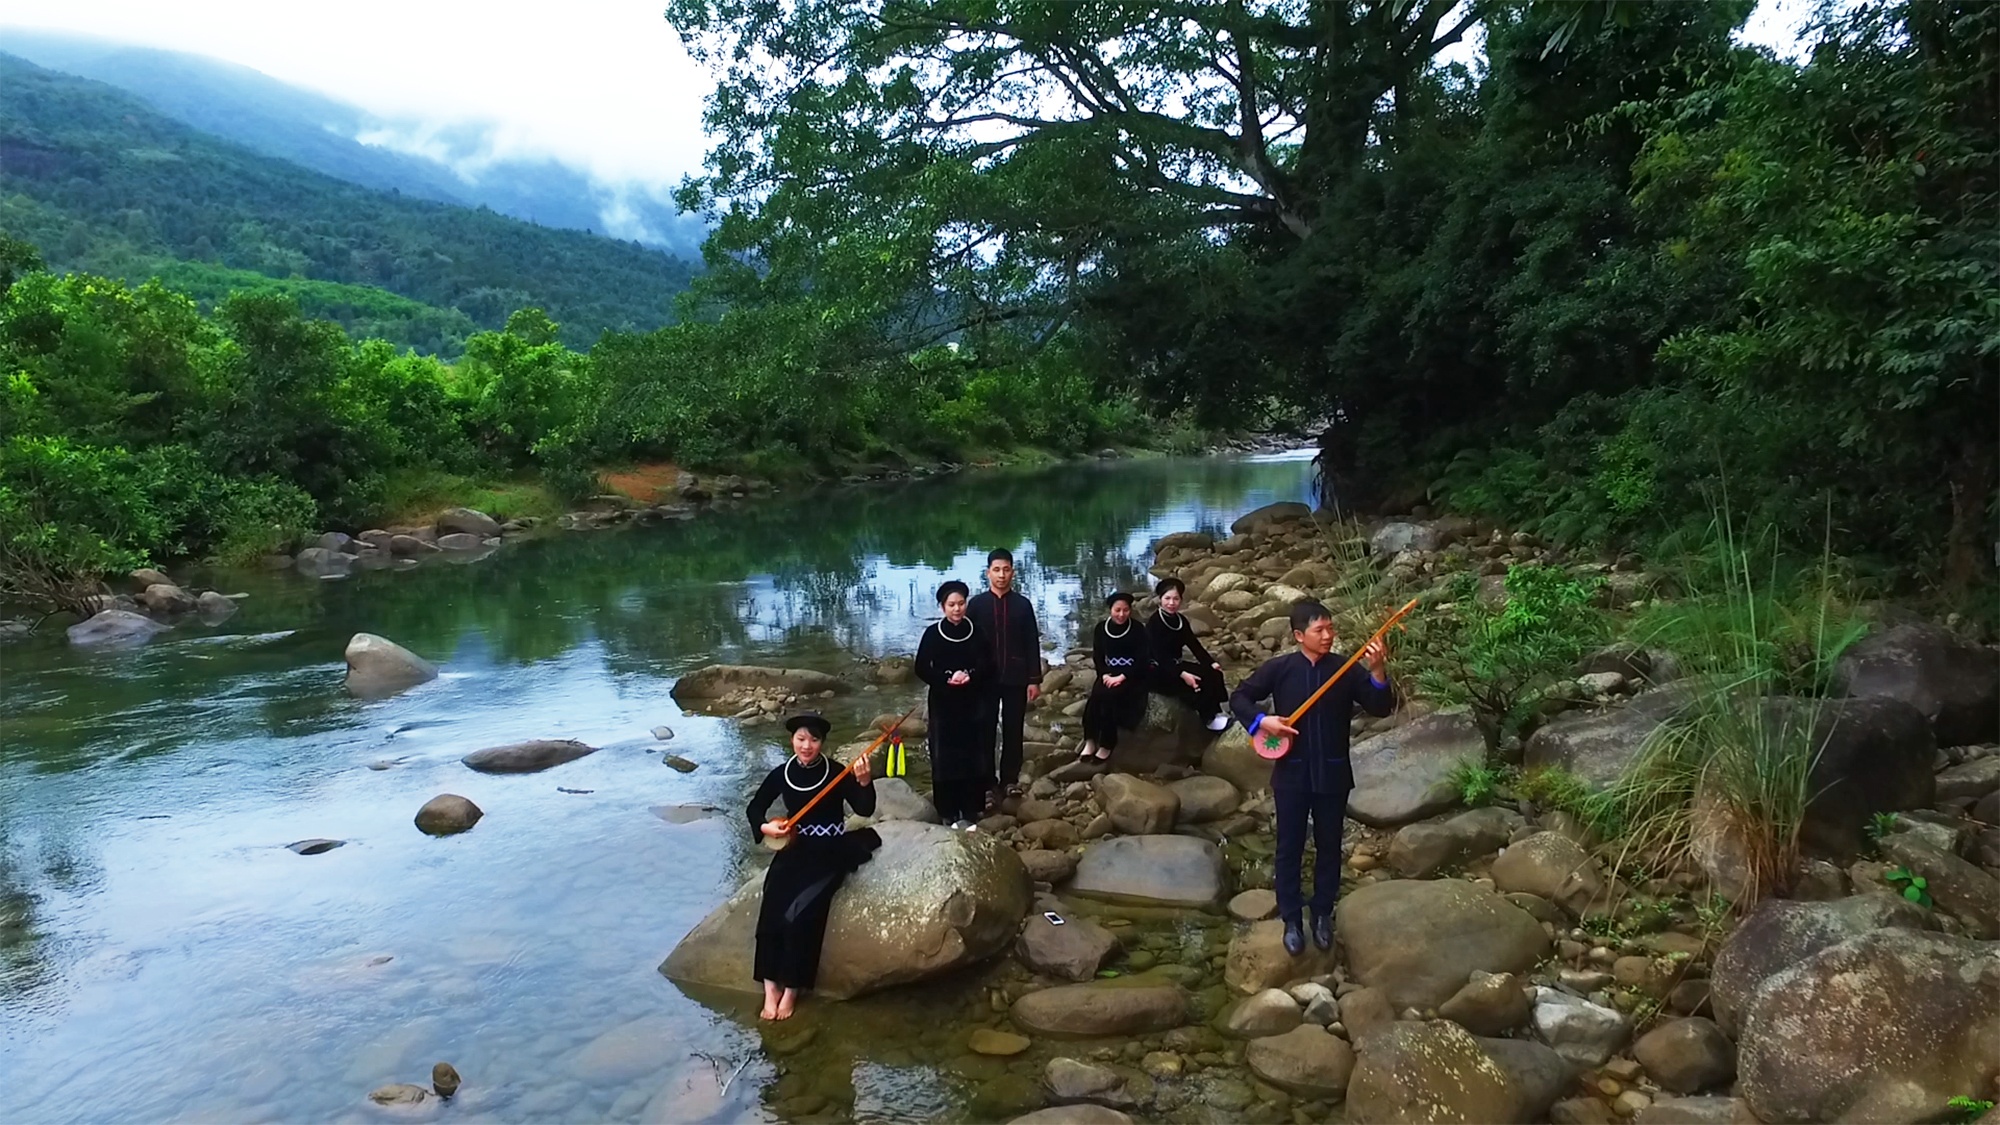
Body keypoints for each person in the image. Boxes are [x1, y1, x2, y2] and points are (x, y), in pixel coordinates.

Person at [1229, 600, 1393, 957]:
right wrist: (1262, 721)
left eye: (1330, 628)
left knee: (1329, 845)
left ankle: (1321, 913)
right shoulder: (1280, 668)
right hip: (1291, 773)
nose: (1328, 635)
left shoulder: (1345, 669)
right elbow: (1239, 696)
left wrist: (1378, 670)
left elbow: (1381, 706)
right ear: (1299, 635)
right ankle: (1290, 916)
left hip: (1333, 772)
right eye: (1319, 630)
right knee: (1289, 846)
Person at [745, 713, 881, 1020]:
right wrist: (766, 828)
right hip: (793, 850)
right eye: (801, 739)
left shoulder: (835, 772)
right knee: (772, 909)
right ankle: (770, 986)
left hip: (829, 851)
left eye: (814, 739)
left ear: (822, 742)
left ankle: (792, 989)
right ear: (792, 740)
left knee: (803, 914)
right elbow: (754, 808)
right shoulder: (783, 773)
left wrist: (863, 782)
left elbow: (865, 809)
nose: (807, 746)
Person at [913, 579, 992, 828]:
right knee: (944, 755)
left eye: (961, 604)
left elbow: (988, 664)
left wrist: (970, 675)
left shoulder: (977, 632)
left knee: (972, 753)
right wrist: (946, 678)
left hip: (972, 701)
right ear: (942, 607)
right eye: (951, 605)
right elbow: (921, 667)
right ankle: (947, 809)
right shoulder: (933, 634)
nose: (957, 609)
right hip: (943, 702)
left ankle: (971, 808)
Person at [967, 548, 1041, 804]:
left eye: (1006, 570)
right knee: (984, 730)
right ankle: (987, 783)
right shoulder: (977, 605)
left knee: (1013, 728)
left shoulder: (1022, 605)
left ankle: (1010, 780)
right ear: (988, 573)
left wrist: (1034, 679)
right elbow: (967, 642)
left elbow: (1031, 642)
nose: (1001, 575)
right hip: (984, 680)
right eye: (996, 570)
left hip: (1016, 676)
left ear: (1013, 572)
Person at [1146, 577, 1231, 732]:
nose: (1171, 603)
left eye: (1176, 599)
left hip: (1177, 664)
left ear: (1181, 600)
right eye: (1167, 598)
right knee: (1196, 683)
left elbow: (1194, 645)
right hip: (1159, 669)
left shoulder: (1181, 620)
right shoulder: (1154, 622)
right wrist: (1182, 674)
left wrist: (1210, 662)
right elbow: (1159, 655)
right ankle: (1208, 719)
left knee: (1212, 673)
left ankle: (1217, 711)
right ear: (1160, 599)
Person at [1078, 590, 1149, 762]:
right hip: (1108, 673)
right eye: (1117, 610)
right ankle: (1090, 740)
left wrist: (1122, 676)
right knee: (1095, 698)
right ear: (1110, 610)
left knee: (1110, 698)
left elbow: (1143, 659)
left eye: (1125, 610)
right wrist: (1104, 674)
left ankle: (1107, 744)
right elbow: (1098, 656)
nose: (1121, 614)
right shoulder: (1101, 629)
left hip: (1132, 675)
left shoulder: (1138, 629)